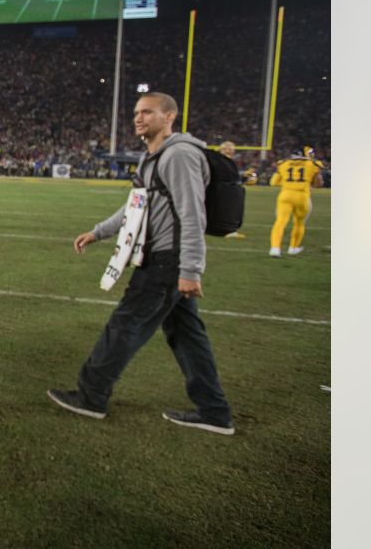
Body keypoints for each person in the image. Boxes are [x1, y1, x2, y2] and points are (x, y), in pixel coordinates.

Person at [48, 92, 234, 435]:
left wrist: (190, 270)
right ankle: (215, 412)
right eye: (136, 112)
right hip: (165, 259)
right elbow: (135, 206)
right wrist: (98, 232)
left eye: (147, 112)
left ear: (169, 117)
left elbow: (193, 215)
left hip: (166, 261)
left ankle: (91, 397)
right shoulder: (155, 156)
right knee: (187, 336)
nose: (138, 118)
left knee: (125, 325)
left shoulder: (178, 155)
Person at [268, 146, 325, 257]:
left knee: (280, 222)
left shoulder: (283, 164)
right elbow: (318, 184)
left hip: (286, 194)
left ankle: (274, 249)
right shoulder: (312, 164)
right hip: (302, 196)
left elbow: (273, 182)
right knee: (299, 223)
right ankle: (293, 248)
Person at [217, 141, 248, 239]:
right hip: (223, 189)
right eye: (229, 148)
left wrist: (244, 177)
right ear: (223, 149)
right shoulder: (222, 160)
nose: (232, 150)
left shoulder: (225, 160)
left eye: (232, 149)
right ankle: (229, 231)